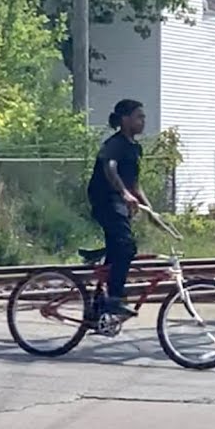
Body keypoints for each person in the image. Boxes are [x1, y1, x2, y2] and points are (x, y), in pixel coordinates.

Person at [86, 99, 153, 318]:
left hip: (119, 202)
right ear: (125, 120)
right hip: (105, 199)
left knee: (118, 250)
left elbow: (134, 183)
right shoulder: (115, 143)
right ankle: (114, 298)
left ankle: (97, 310)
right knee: (126, 247)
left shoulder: (135, 147)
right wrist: (124, 194)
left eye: (143, 117)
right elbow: (110, 167)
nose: (143, 121)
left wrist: (148, 208)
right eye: (139, 117)